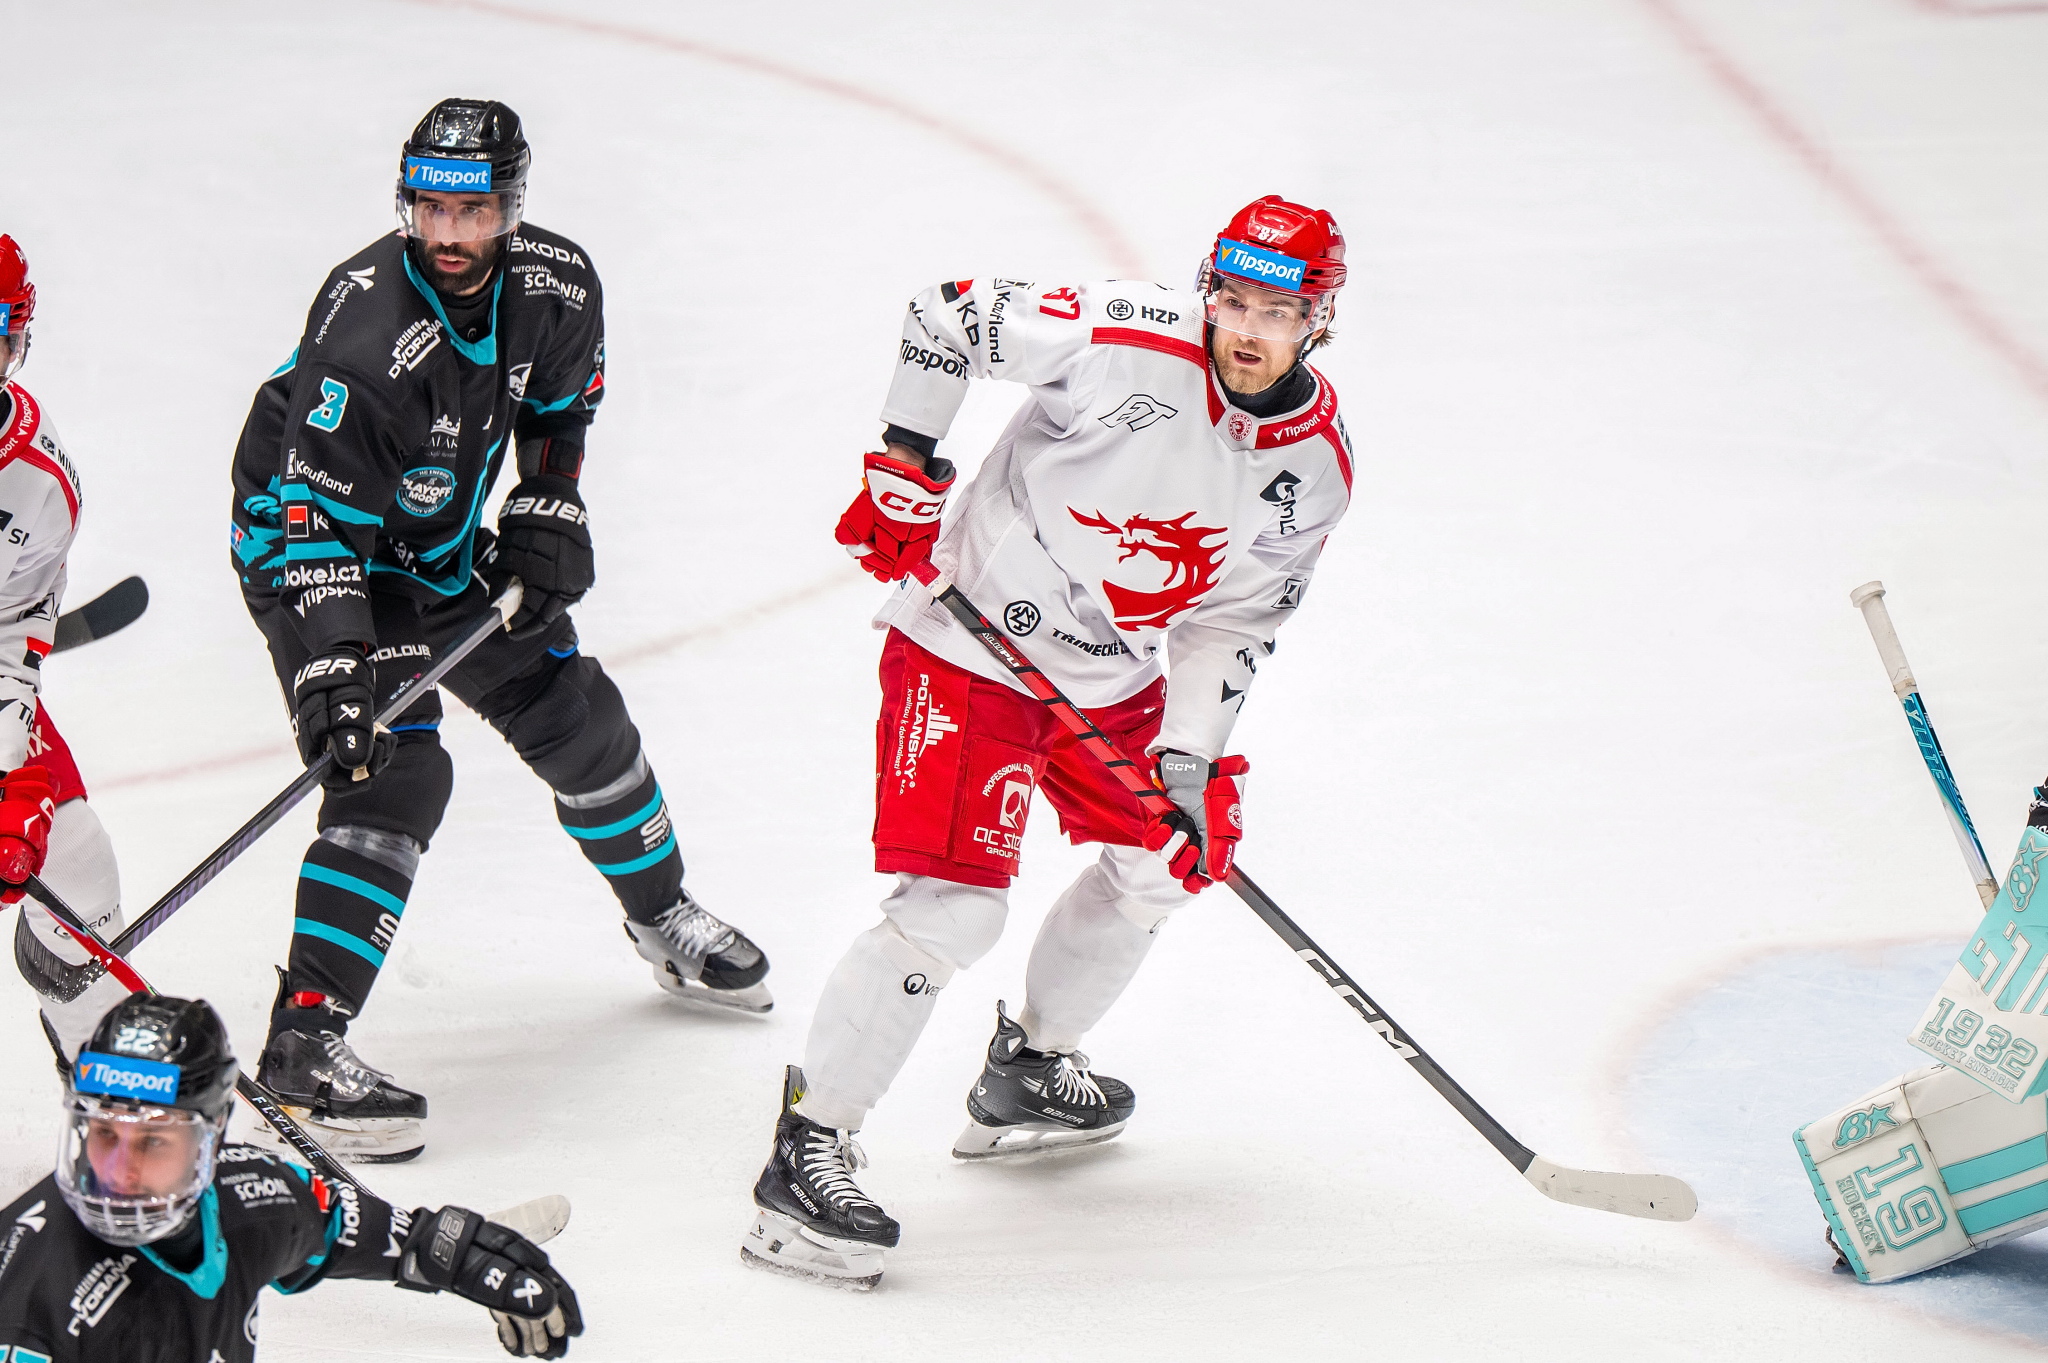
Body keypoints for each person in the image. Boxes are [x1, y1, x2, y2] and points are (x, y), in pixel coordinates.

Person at [744, 195, 1356, 1285]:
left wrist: (1187, 757)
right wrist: (905, 462)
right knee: (953, 907)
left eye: (1277, 312)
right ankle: (808, 1146)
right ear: (1206, 290)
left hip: (1111, 672)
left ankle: (1027, 1068)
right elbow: (945, 314)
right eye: (1232, 300)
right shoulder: (1121, 334)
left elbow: (1233, 622)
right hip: (968, 639)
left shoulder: (1314, 467)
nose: (1246, 330)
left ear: (1319, 321)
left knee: (1164, 862)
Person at [227, 97, 770, 1163]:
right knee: (394, 773)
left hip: (430, 546)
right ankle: (302, 1047)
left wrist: (547, 496)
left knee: (581, 719)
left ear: (509, 208)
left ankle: (662, 916)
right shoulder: (366, 334)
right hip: (314, 550)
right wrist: (334, 660)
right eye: (429, 208)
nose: (447, 233)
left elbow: (561, 408)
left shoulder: (556, 287)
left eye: (471, 211)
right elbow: (317, 520)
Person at [0, 991, 581, 1360]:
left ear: (211, 1136)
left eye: (152, 1141)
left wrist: (445, 1250)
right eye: (104, 1134)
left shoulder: (251, 1196)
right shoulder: (27, 1306)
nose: (119, 1171)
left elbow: (346, 1228)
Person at [0, 234, 132, 1065]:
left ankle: (107, 1085)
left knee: (74, 859)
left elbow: (11, 634)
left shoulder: (39, 483)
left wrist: (13, 768)